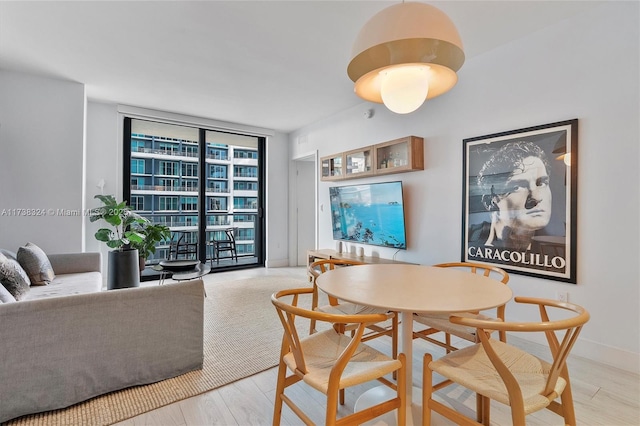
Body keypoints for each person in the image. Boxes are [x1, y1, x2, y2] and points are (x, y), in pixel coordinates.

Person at [474, 140, 552, 252]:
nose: (536, 197)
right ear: (490, 201)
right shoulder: (472, 243)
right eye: (517, 187)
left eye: (541, 183)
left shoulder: (554, 249)